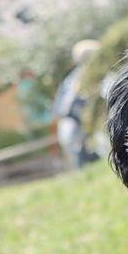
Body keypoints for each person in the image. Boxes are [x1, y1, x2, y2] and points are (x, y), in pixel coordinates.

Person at [52, 40, 99, 169]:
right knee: (81, 164)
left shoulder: (72, 78)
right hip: (74, 124)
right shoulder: (79, 78)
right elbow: (65, 107)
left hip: (76, 125)